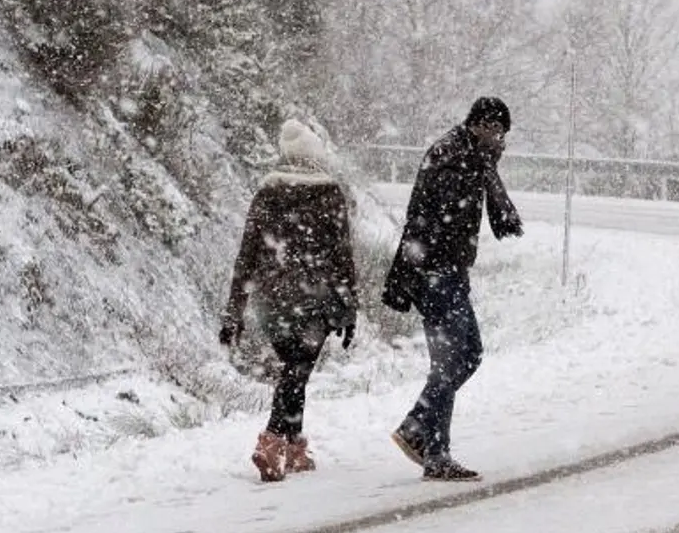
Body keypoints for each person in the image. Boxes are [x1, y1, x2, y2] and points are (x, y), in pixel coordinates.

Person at [382, 96, 525, 481]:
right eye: (497, 132)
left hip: (449, 273)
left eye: (503, 135)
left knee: (469, 354)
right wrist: (430, 270)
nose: (500, 141)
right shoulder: (453, 157)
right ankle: (433, 449)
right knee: (448, 362)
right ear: (481, 125)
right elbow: (434, 220)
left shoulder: (469, 155)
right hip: (436, 274)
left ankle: (420, 431)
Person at [221, 120, 359, 483]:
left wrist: (234, 310)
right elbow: (342, 256)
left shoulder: (267, 192)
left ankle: (295, 448)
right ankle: (271, 442)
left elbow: (247, 255)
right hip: (314, 299)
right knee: (297, 370)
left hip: (271, 300)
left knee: (293, 369)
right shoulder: (329, 192)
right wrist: (349, 307)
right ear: (315, 153)